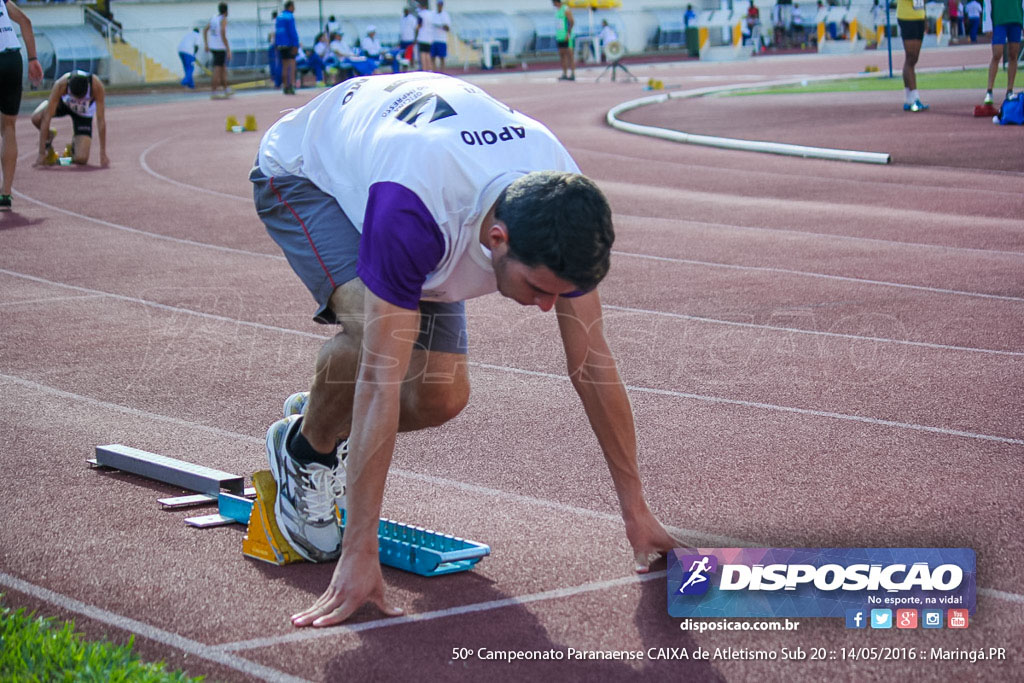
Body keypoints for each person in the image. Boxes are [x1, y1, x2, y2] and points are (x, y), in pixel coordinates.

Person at [249, 72, 683, 627]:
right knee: (376, 351)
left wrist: (636, 512)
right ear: (496, 239)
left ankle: (323, 413)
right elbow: (380, 383)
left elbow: (593, 365)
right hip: (311, 175)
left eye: (561, 293)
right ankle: (306, 449)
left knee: (440, 396)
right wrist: (360, 552)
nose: (550, 307)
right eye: (539, 289)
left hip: (416, 161)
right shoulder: (415, 210)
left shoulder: (563, 202)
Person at [0, 0, 43, 211]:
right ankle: (6, 194)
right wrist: (33, 59)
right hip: (12, 60)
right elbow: (25, 21)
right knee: (8, 127)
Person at [31, 70, 108, 167]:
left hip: (83, 114)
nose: (77, 101)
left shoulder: (96, 86)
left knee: (81, 158)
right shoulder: (61, 85)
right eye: (74, 97)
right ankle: (49, 135)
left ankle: (68, 154)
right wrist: (41, 153)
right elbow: (47, 117)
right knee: (36, 117)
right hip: (64, 104)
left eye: (80, 99)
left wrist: (103, 153)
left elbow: (101, 120)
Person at [984, 0, 1022, 103]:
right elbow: (986, 3)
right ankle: (989, 91)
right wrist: (987, 24)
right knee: (997, 54)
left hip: (1016, 18)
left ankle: (1010, 90)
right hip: (999, 20)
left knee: (1013, 54)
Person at [897, 0, 929, 111]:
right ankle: (914, 98)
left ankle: (909, 99)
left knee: (914, 58)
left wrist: (925, 17)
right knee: (910, 57)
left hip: (919, 17)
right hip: (907, 17)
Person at [203, 2, 231, 98]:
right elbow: (223, 33)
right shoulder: (223, 19)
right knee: (217, 70)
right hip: (220, 47)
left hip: (213, 46)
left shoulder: (214, 18)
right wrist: (228, 49)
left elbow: (205, 30)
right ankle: (213, 91)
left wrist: (206, 44)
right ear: (226, 11)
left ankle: (226, 89)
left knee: (223, 69)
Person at [275, 1, 299, 94]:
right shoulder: (290, 17)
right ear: (290, 7)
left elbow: (277, 32)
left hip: (281, 44)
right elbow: (292, 31)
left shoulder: (279, 17)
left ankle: (285, 86)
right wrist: (295, 44)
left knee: (284, 66)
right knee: (292, 65)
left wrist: (277, 44)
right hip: (289, 44)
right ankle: (291, 85)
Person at [553, 0, 575, 81]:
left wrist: (568, 33)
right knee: (562, 56)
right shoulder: (557, 11)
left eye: (555, 4)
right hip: (559, 36)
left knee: (570, 55)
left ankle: (572, 73)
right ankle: (564, 73)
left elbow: (571, 21)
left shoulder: (565, 9)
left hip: (567, 37)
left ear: (557, 2)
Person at [430, 0, 451, 73]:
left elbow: (448, 28)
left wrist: (442, 25)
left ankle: (443, 72)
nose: (439, 6)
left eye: (441, 5)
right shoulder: (433, 14)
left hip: (442, 39)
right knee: (432, 57)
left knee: (442, 58)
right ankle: (434, 72)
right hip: (433, 39)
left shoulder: (445, 15)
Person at [416, 0, 434, 71]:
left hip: (422, 37)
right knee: (428, 54)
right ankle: (430, 69)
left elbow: (419, 25)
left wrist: (416, 28)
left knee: (423, 54)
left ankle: (424, 69)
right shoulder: (431, 14)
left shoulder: (421, 14)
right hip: (429, 37)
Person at [267, 11, 282, 89]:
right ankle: (278, 81)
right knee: (278, 63)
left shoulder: (274, 22)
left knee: (275, 64)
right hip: (278, 44)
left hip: (274, 44)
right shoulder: (279, 22)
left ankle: (276, 81)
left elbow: (272, 34)